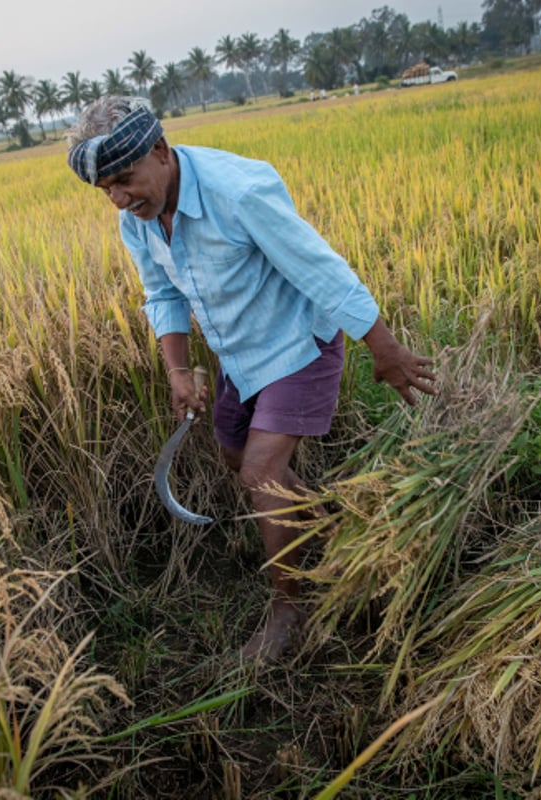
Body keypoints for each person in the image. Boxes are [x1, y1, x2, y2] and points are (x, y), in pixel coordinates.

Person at [67, 96, 437, 661]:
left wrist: (384, 350)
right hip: (238, 352)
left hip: (297, 343)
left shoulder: (238, 192)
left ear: (161, 152)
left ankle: (289, 612)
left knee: (263, 469)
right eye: (105, 191)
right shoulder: (137, 220)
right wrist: (179, 370)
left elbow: (319, 267)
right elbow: (162, 294)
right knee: (238, 459)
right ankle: (337, 539)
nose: (118, 199)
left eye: (125, 180)